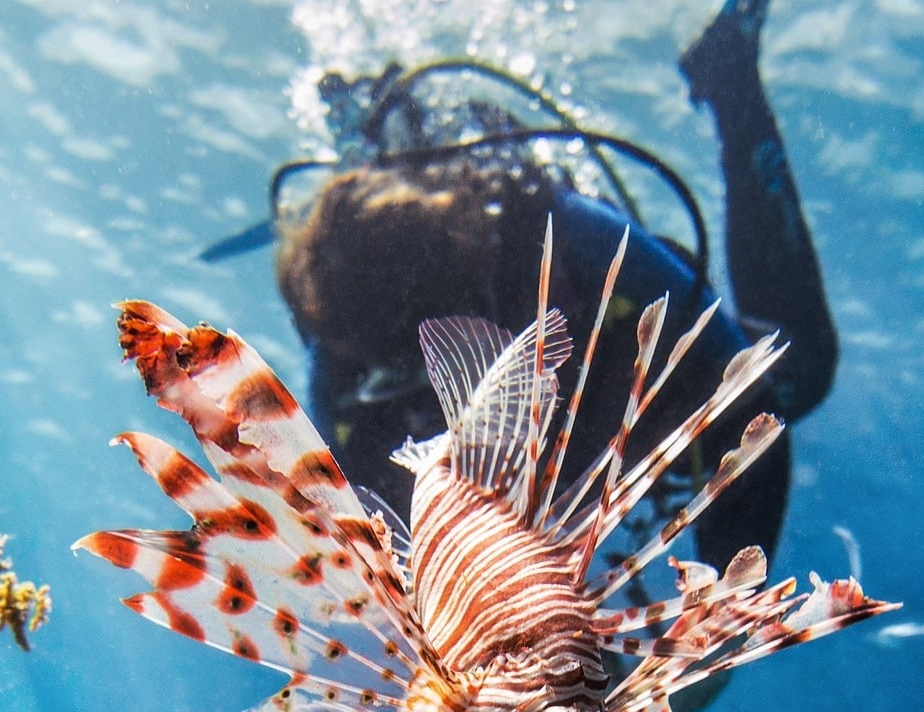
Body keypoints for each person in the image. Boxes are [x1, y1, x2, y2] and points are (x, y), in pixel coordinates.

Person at [208, 0, 836, 585]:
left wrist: (722, 606)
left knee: (798, 368)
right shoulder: (346, 364)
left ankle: (728, 77)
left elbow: (747, 395)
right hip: (545, 471)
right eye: (394, 372)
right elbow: (383, 562)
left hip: (605, 380)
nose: (438, 393)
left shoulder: (562, 236)